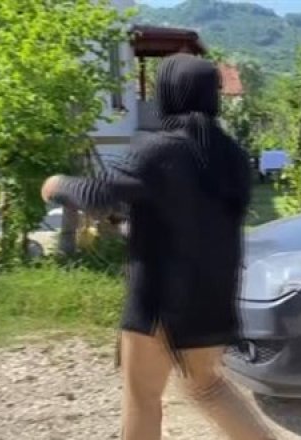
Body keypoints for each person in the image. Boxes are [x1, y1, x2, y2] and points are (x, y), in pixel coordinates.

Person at [41, 54, 275, 440]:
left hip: (158, 301)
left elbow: (100, 195)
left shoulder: (159, 150)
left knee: (143, 398)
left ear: (168, 95)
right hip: (213, 298)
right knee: (208, 387)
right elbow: (188, 210)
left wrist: (56, 185)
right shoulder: (233, 156)